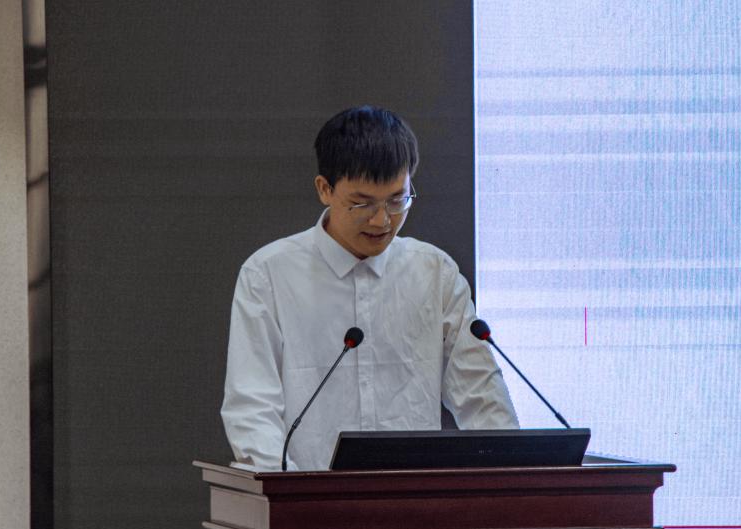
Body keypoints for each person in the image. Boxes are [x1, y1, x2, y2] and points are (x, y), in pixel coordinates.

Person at [221, 106, 519, 470]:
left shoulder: (434, 273)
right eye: (361, 203)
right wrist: (292, 495)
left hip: (415, 498)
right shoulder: (268, 275)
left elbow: (482, 396)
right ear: (325, 189)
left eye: (397, 200)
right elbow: (253, 410)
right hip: (307, 499)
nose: (382, 220)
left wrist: (515, 474)